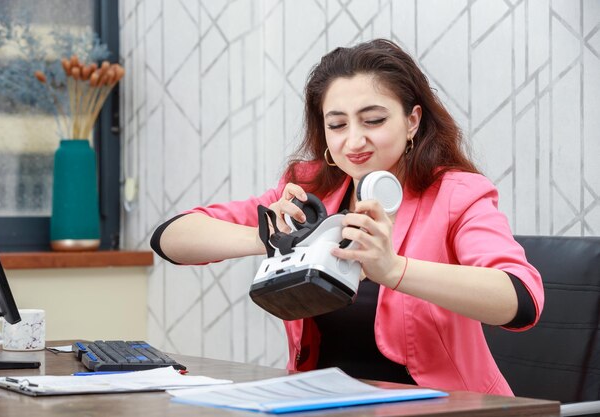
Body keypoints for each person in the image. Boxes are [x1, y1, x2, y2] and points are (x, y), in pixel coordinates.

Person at [151, 39, 544, 396]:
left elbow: (521, 299)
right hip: (324, 403)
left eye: (373, 120)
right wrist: (266, 237)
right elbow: (170, 239)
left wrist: (393, 269)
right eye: (337, 125)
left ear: (412, 121)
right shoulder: (309, 189)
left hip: (446, 406)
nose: (353, 141)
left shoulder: (457, 193)